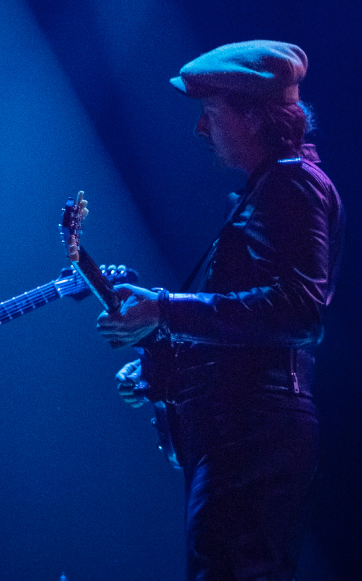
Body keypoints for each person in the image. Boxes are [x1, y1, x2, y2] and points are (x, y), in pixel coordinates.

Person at [96, 41, 343, 581]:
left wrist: (165, 308)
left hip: (252, 429)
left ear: (253, 116)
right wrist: (167, 368)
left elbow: (297, 311)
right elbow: (254, 325)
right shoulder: (275, 186)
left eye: (210, 112)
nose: (200, 129)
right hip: (244, 427)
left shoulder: (291, 184)